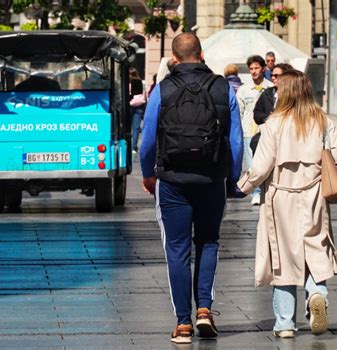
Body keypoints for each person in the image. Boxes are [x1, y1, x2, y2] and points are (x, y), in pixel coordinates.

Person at [139, 32, 243, 344]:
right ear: (200, 53)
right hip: (211, 179)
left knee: (177, 249)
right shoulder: (223, 88)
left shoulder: (162, 89)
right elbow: (235, 141)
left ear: (174, 58)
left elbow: (146, 140)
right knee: (208, 242)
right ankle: (205, 311)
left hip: (172, 180)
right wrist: (232, 177)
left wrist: (148, 174)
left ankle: (183, 323)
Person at [237, 70, 337, 338]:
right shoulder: (322, 120)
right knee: (315, 249)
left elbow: (262, 166)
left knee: (283, 258)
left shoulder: (274, 123)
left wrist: (243, 186)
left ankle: (285, 323)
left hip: (280, 197)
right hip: (315, 195)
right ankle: (317, 293)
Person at [236, 55, 274, 205]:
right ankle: (256, 193)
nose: (253, 71)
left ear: (263, 68)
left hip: (266, 132)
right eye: (251, 69)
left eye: (256, 68)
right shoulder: (244, 90)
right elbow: (239, 111)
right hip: (248, 132)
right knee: (252, 164)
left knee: (266, 163)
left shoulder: (270, 88)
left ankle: (265, 190)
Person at [250, 63, 293, 153]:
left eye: (276, 75)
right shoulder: (267, 93)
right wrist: (268, 117)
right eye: (272, 75)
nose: (273, 78)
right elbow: (256, 114)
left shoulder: (294, 96)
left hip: (287, 142)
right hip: (267, 140)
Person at [129, 67, 146, 153]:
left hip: (129, 106)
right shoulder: (141, 82)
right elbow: (144, 95)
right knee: (136, 128)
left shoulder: (128, 83)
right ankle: (134, 147)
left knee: (127, 127)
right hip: (139, 106)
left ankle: (127, 145)